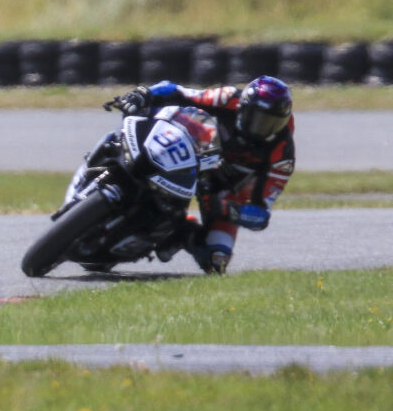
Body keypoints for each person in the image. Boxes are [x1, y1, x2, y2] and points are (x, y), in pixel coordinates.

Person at [113, 76, 295, 274]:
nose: (262, 128)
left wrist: (227, 209)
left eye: (271, 123)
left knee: (216, 263)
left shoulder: (282, 154)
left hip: (222, 192)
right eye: (258, 118)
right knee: (136, 126)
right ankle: (114, 161)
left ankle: (184, 233)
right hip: (193, 154)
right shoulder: (228, 98)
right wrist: (143, 94)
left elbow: (261, 215)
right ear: (244, 106)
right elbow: (178, 91)